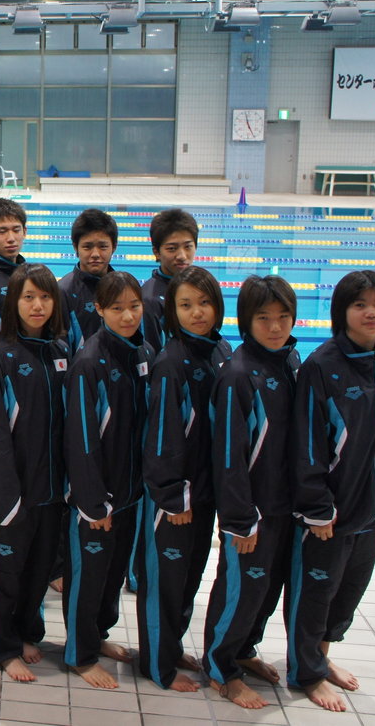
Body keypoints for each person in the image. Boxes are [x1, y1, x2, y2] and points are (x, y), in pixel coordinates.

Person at [287, 270, 375, 712]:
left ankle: (321, 659)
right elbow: (307, 444)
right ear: (341, 311)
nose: (371, 313)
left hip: (372, 509)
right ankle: (306, 672)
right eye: (360, 304)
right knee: (316, 594)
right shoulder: (322, 366)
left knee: (348, 592)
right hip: (332, 513)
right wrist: (317, 507)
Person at [202, 275, 300, 710]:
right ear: (246, 321)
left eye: (283, 317)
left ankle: (243, 651)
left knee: (266, 590)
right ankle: (220, 668)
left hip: (285, 505)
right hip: (253, 512)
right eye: (264, 318)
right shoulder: (238, 375)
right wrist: (240, 519)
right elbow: (228, 456)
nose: (275, 327)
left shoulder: (291, 361)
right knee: (240, 591)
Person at [137, 266, 233, 692]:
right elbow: (161, 437)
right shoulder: (171, 362)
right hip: (175, 499)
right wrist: (172, 496)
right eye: (186, 305)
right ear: (172, 312)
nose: (198, 313)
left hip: (206, 493)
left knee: (189, 580)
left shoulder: (220, 351)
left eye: (205, 302)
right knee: (165, 585)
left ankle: (172, 649)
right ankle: (157, 666)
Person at [0, 263, 69, 682]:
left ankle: (27, 632)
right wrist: (4, 496)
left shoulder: (60, 350)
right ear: (13, 302)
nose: (37, 305)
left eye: (45, 297)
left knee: (38, 570)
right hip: (15, 490)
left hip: (51, 488)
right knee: (6, 574)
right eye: (28, 297)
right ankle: (2, 647)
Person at [63, 270, 153, 689]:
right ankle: (80, 654)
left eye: (134, 306)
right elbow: (81, 439)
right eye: (117, 308)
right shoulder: (89, 362)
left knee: (113, 575)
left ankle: (98, 635)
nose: (128, 316)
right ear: (99, 309)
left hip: (131, 493)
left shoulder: (142, 352)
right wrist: (93, 501)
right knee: (88, 577)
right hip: (97, 498)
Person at [58, 208, 118, 352]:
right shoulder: (62, 292)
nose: (95, 254)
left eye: (103, 246)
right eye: (87, 247)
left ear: (114, 247)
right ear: (75, 247)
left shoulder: (122, 288)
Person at [141, 208, 198, 353]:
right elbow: (151, 355)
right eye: (172, 248)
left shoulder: (200, 287)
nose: (182, 256)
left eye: (188, 247)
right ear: (156, 252)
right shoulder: (150, 300)